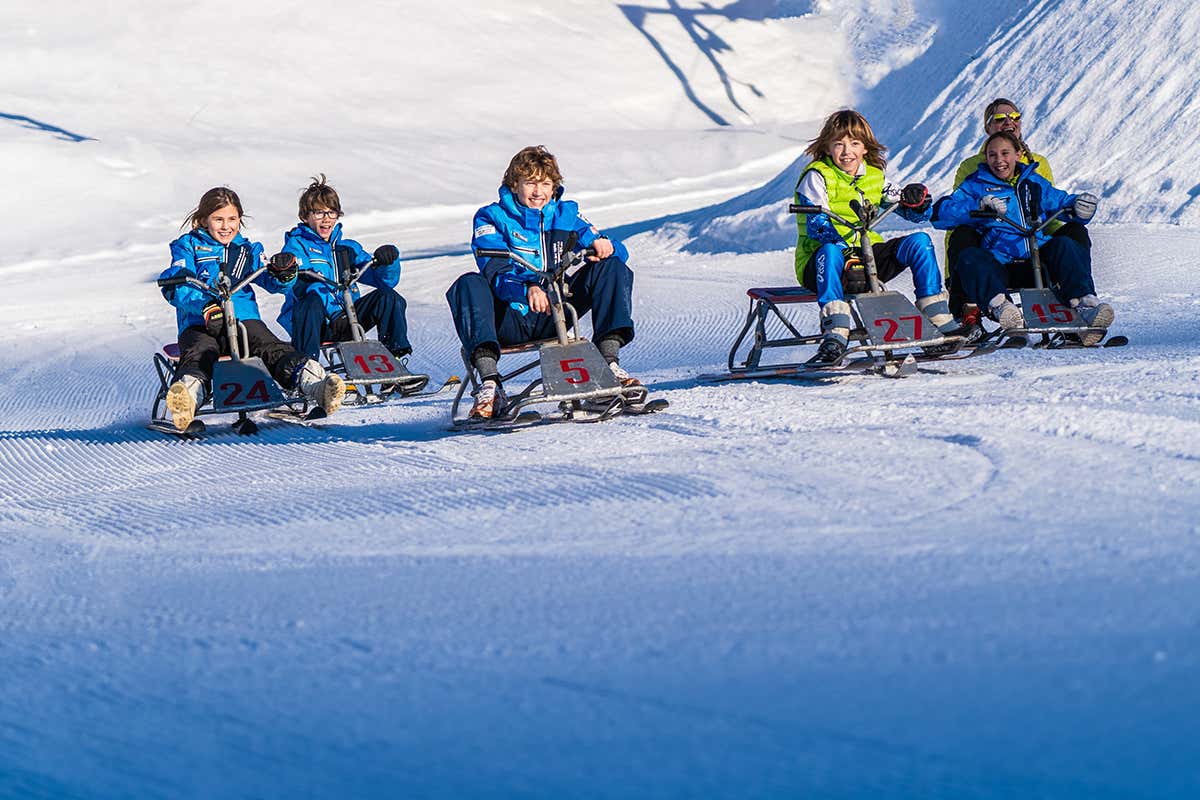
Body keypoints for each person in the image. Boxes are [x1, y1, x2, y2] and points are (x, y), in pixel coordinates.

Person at [446, 145, 637, 420]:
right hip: (510, 318)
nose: (539, 192)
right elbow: (495, 269)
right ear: (514, 184)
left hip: (557, 312)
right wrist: (527, 288)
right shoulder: (491, 217)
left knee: (612, 267)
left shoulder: (566, 214)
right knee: (469, 284)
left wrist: (603, 245)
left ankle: (609, 363)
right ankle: (490, 385)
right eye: (531, 183)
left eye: (545, 184)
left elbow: (615, 249)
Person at [158, 186, 345, 431]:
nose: (226, 226)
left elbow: (272, 281)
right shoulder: (188, 246)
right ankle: (187, 399)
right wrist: (205, 305)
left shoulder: (248, 250)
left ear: (240, 220)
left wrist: (284, 273)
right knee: (200, 352)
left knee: (271, 347)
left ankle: (315, 384)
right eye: (218, 219)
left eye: (232, 219)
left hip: (244, 320)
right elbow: (177, 281)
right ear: (204, 220)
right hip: (202, 322)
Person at [793, 109, 957, 365]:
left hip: (866, 257)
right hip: (824, 261)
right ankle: (835, 334)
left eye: (854, 144)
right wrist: (847, 255)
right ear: (827, 148)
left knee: (920, 242)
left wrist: (917, 200)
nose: (847, 152)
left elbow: (911, 213)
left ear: (865, 149)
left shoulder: (874, 177)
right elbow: (817, 225)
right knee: (831, 250)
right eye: (839, 144)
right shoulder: (816, 176)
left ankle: (938, 320)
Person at [930, 130, 1111, 343]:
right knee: (971, 257)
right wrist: (977, 207)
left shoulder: (1033, 183)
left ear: (1018, 154)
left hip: (1036, 258)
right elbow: (940, 213)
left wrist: (1079, 205)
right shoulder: (976, 184)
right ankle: (1003, 308)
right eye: (992, 155)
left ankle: (1085, 305)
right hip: (1001, 262)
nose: (999, 161)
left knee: (1065, 244)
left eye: (1005, 153)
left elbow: (1060, 201)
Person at [945, 97, 1091, 325]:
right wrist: (980, 208)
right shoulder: (973, 171)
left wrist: (1076, 210)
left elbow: (1054, 203)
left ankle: (1082, 300)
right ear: (987, 128)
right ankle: (969, 310)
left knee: (1073, 234)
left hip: (1034, 244)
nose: (1009, 123)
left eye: (1015, 118)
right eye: (1000, 119)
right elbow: (953, 212)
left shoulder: (1036, 169)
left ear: (1017, 155)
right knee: (963, 235)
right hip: (995, 246)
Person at [274, 175, 413, 365]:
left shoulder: (347, 249)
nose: (326, 219)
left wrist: (387, 262)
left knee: (388, 297)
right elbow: (294, 282)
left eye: (331, 213)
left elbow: (384, 281)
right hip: (317, 322)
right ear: (305, 216)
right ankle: (307, 369)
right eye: (319, 213)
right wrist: (291, 271)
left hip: (349, 316)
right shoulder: (297, 246)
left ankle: (394, 361)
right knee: (311, 301)